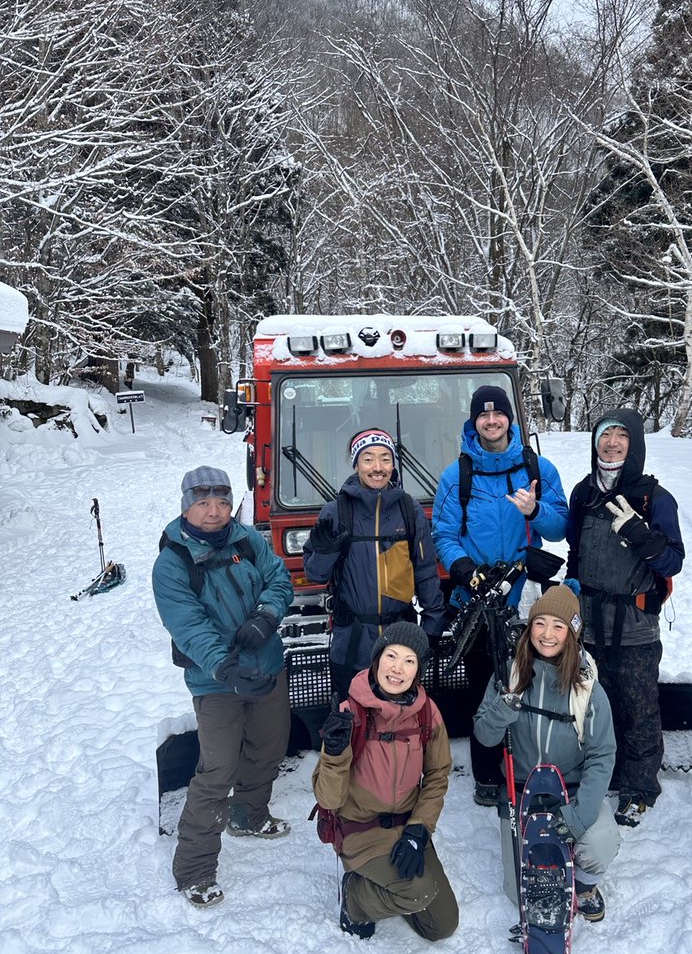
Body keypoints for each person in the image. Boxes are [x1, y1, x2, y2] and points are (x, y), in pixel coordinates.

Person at [152, 466, 294, 909]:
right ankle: (194, 868)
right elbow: (187, 625)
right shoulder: (172, 562)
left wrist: (266, 617)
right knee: (217, 770)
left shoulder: (247, 540)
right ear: (186, 506)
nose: (214, 512)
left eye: (222, 502)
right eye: (203, 502)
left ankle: (249, 814)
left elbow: (279, 579)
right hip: (216, 683)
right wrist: (224, 666)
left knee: (268, 748)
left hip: (267, 665)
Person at [432, 384, 568, 806]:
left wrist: (534, 511)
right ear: (473, 422)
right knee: (481, 687)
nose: (491, 421)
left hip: (524, 594)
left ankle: (530, 767)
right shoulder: (458, 475)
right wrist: (465, 571)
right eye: (483, 415)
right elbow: (444, 533)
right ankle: (487, 772)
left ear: (509, 418)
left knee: (530, 679)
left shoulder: (537, 467)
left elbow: (560, 527)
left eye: (498, 414)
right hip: (477, 597)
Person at [473, 582, 620, 921]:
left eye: (559, 626)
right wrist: (502, 711)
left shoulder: (588, 689)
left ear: (572, 634)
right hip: (520, 790)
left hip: (570, 790)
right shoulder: (509, 674)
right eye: (540, 624)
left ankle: (584, 884)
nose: (548, 634)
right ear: (529, 629)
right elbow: (483, 734)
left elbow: (601, 756)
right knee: (517, 894)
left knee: (600, 845)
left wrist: (580, 815)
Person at [566, 410, 684, 828]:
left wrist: (640, 534)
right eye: (605, 435)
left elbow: (673, 561)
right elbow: (575, 552)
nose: (612, 443)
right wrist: (570, 588)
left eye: (621, 436)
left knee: (639, 707)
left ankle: (639, 787)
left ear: (634, 443)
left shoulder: (655, 498)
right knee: (595, 704)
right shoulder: (583, 493)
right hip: (591, 622)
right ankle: (606, 772)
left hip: (634, 623)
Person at [312, 622, 459, 941]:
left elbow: (437, 774)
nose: (398, 668)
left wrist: (419, 829)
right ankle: (355, 899)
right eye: (391, 656)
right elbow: (329, 799)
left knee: (442, 925)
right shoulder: (349, 712)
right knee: (417, 893)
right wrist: (334, 755)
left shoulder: (426, 713)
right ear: (377, 660)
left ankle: (391, 887)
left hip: (407, 828)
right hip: (361, 830)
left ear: (418, 669)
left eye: (410, 661)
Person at [303, 428, 445, 702]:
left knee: (400, 721)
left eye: (385, 458)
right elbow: (315, 574)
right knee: (352, 721)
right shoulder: (336, 511)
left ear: (394, 463)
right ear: (356, 464)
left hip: (399, 639)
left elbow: (426, 570)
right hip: (351, 641)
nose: (377, 467)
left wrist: (432, 625)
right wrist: (325, 551)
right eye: (368, 459)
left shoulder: (409, 509)